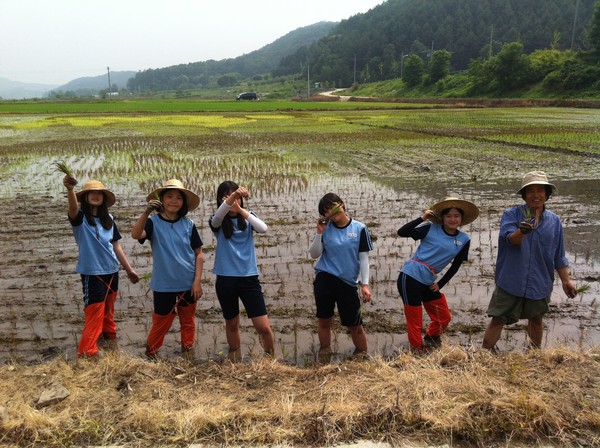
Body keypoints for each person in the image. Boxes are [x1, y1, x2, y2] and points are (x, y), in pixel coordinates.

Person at [482, 171, 577, 351]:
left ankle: (535, 354)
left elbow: (558, 255)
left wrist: (566, 280)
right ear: (524, 195)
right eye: (530, 191)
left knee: (536, 318)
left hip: (540, 281)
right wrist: (522, 231)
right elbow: (511, 239)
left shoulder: (555, 221)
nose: (536, 195)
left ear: (547, 194)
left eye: (540, 190)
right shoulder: (511, 215)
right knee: (499, 318)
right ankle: (484, 355)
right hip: (511, 280)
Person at [62, 176, 139, 358]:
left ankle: (109, 339)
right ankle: (88, 352)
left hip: (112, 271)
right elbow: (72, 208)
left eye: (99, 193)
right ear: (86, 197)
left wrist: (129, 270)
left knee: (108, 310)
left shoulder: (109, 220)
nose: (96, 196)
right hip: (92, 273)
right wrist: (70, 189)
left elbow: (116, 246)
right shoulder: (79, 219)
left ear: (104, 198)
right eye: (92, 193)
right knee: (94, 311)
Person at [131, 179, 205, 360]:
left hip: (188, 283)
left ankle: (188, 353)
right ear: (161, 200)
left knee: (188, 321)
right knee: (161, 320)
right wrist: (146, 211)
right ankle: (151, 353)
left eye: (179, 198)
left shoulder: (189, 225)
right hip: (164, 284)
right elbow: (136, 235)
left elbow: (199, 254)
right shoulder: (153, 222)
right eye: (169, 196)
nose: (174, 201)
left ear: (184, 203)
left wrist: (197, 281)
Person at [397, 197, 479, 352]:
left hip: (429, 280)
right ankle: (417, 349)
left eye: (456, 216)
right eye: (448, 216)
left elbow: (455, 265)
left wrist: (440, 284)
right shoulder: (429, 228)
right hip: (410, 277)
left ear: (462, 219)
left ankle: (431, 336)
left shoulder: (464, 239)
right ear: (442, 218)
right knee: (415, 318)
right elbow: (402, 232)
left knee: (444, 317)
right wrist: (422, 218)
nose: (452, 219)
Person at [208, 181, 275, 361]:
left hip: (248, 279)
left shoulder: (248, 218)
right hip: (226, 280)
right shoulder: (217, 221)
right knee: (232, 324)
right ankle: (235, 358)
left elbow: (263, 228)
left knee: (263, 327)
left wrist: (241, 211)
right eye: (228, 197)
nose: (233, 201)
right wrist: (233, 198)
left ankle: (271, 359)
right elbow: (218, 216)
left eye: (237, 197)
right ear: (221, 200)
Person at [309, 193, 373, 359]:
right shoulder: (326, 228)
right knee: (324, 319)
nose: (331, 211)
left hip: (347, 282)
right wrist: (319, 233)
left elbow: (363, 258)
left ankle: (362, 355)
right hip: (325, 278)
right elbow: (314, 255)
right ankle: (325, 351)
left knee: (355, 324)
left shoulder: (359, 228)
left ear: (342, 205)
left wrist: (364, 284)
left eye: (333, 206)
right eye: (326, 210)